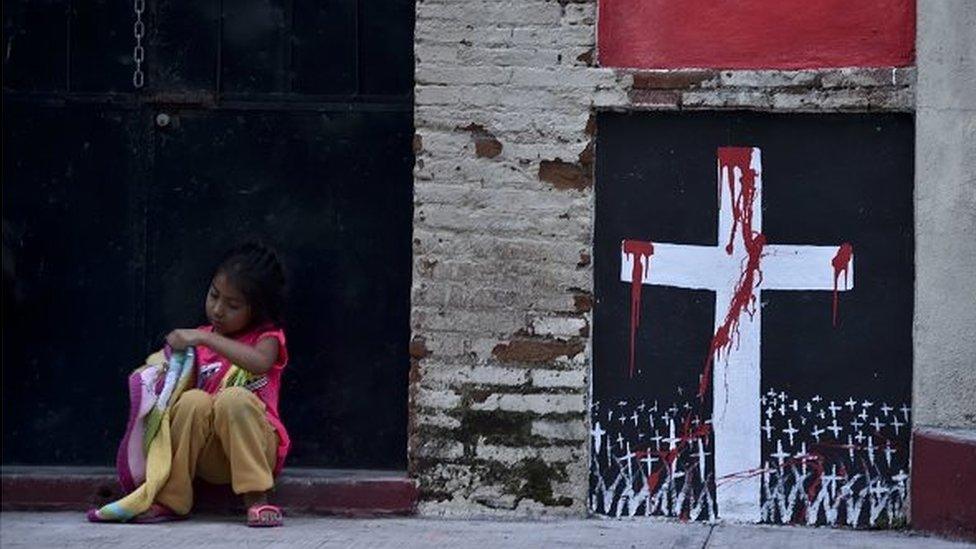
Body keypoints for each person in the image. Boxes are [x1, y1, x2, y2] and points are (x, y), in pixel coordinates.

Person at [132, 242, 290, 527]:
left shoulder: (266, 337)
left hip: (254, 447)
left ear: (257, 309)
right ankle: (172, 499)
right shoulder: (197, 342)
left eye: (232, 305)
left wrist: (205, 338)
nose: (217, 310)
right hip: (210, 456)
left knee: (234, 399)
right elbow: (175, 392)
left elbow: (259, 363)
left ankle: (256, 498)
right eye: (214, 296)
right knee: (192, 401)